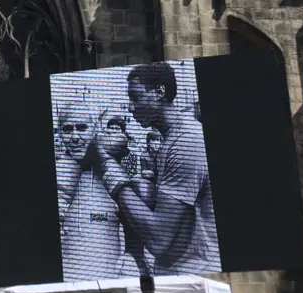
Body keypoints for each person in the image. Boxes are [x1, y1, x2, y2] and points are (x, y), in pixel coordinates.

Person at [94, 61, 220, 276]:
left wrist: (106, 165)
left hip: (193, 274)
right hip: (177, 271)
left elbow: (159, 237)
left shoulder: (186, 140)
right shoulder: (170, 139)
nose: (131, 107)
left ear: (160, 92)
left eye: (136, 97)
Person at [56, 102, 138, 280]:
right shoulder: (61, 169)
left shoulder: (106, 165)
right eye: (67, 130)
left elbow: (120, 139)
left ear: (95, 128)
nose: (74, 137)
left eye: (82, 128)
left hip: (108, 275)